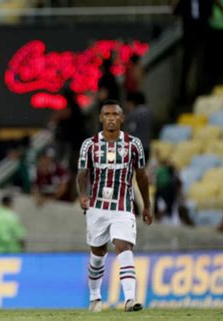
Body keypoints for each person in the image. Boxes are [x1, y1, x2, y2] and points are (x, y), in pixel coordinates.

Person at [76, 100, 153, 312]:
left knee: (123, 246)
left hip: (123, 206)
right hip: (97, 207)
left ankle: (130, 299)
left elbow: (141, 175)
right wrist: (83, 195)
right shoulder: (89, 145)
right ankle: (94, 298)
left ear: (122, 118)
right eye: (107, 114)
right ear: (101, 118)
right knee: (97, 254)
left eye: (115, 114)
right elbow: (82, 174)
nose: (111, 118)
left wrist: (146, 205)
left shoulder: (134, 144)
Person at [124, 92, 152, 162]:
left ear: (131, 102)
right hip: (147, 147)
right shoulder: (148, 112)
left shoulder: (134, 114)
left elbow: (131, 130)